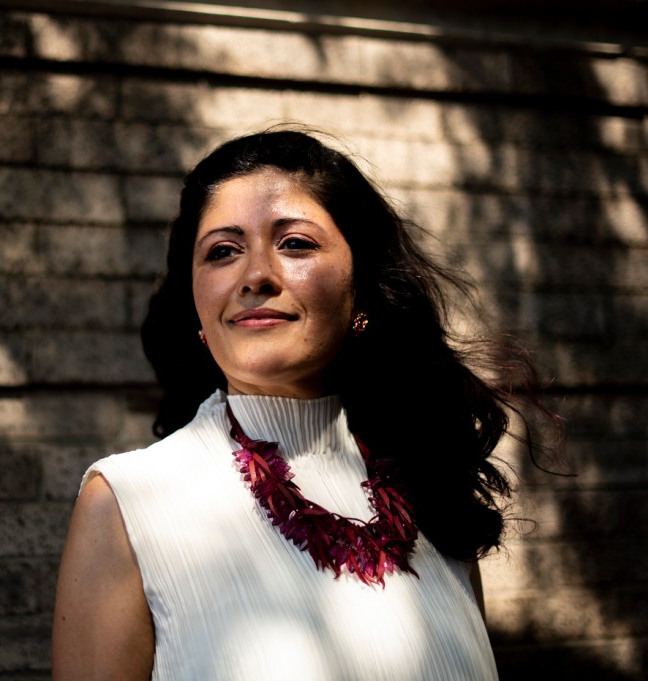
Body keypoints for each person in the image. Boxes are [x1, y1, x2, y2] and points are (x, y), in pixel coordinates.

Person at [52, 129, 550, 680]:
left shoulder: (426, 484)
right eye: (222, 252)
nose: (255, 276)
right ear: (195, 304)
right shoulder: (126, 501)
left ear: (361, 289)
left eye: (295, 244)